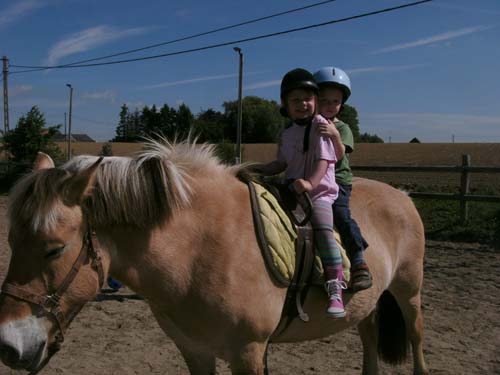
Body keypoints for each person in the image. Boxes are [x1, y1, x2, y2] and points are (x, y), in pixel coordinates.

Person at [255, 68, 347, 318]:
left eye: (307, 99)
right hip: (292, 190)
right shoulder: (287, 134)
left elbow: (325, 162)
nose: (302, 104)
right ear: (285, 104)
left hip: (319, 193)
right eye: (295, 100)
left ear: (315, 102)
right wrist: (256, 168)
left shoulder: (321, 125)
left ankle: (335, 287)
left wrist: (310, 184)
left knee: (324, 232)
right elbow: (281, 164)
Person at [313, 66, 373, 292]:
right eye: (324, 100)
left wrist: (335, 136)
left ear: (341, 104)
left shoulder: (342, 128)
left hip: (337, 180)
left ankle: (359, 261)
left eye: (334, 102)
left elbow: (339, 155)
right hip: (312, 178)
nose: (329, 106)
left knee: (340, 213)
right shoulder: (309, 127)